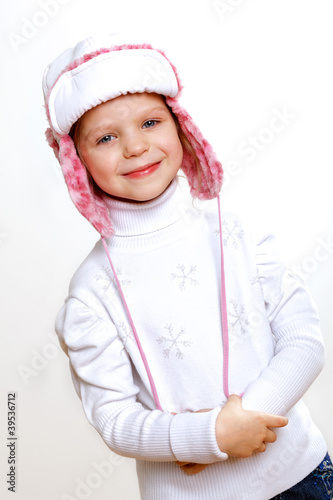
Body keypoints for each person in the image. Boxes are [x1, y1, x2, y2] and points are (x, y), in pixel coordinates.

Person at [43, 34, 332, 499]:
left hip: (300, 476)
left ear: (182, 127)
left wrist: (234, 427)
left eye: (151, 122)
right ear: (76, 162)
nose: (135, 147)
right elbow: (114, 418)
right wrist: (209, 438)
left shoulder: (239, 231)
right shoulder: (91, 292)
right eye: (107, 137)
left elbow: (304, 341)